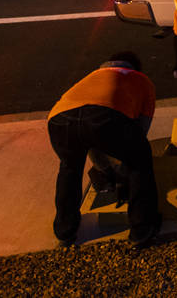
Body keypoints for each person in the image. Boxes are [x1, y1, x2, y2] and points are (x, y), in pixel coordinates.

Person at [47, 51, 160, 249]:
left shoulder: (91, 77)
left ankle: (65, 230)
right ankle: (141, 229)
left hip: (58, 119)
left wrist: (106, 170)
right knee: (140, 161)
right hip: (104, 116)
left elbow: (89, 137)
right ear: (134, 67)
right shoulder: (141, 80)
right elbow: (140, 131)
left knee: (70, 168)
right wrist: (125, 171)